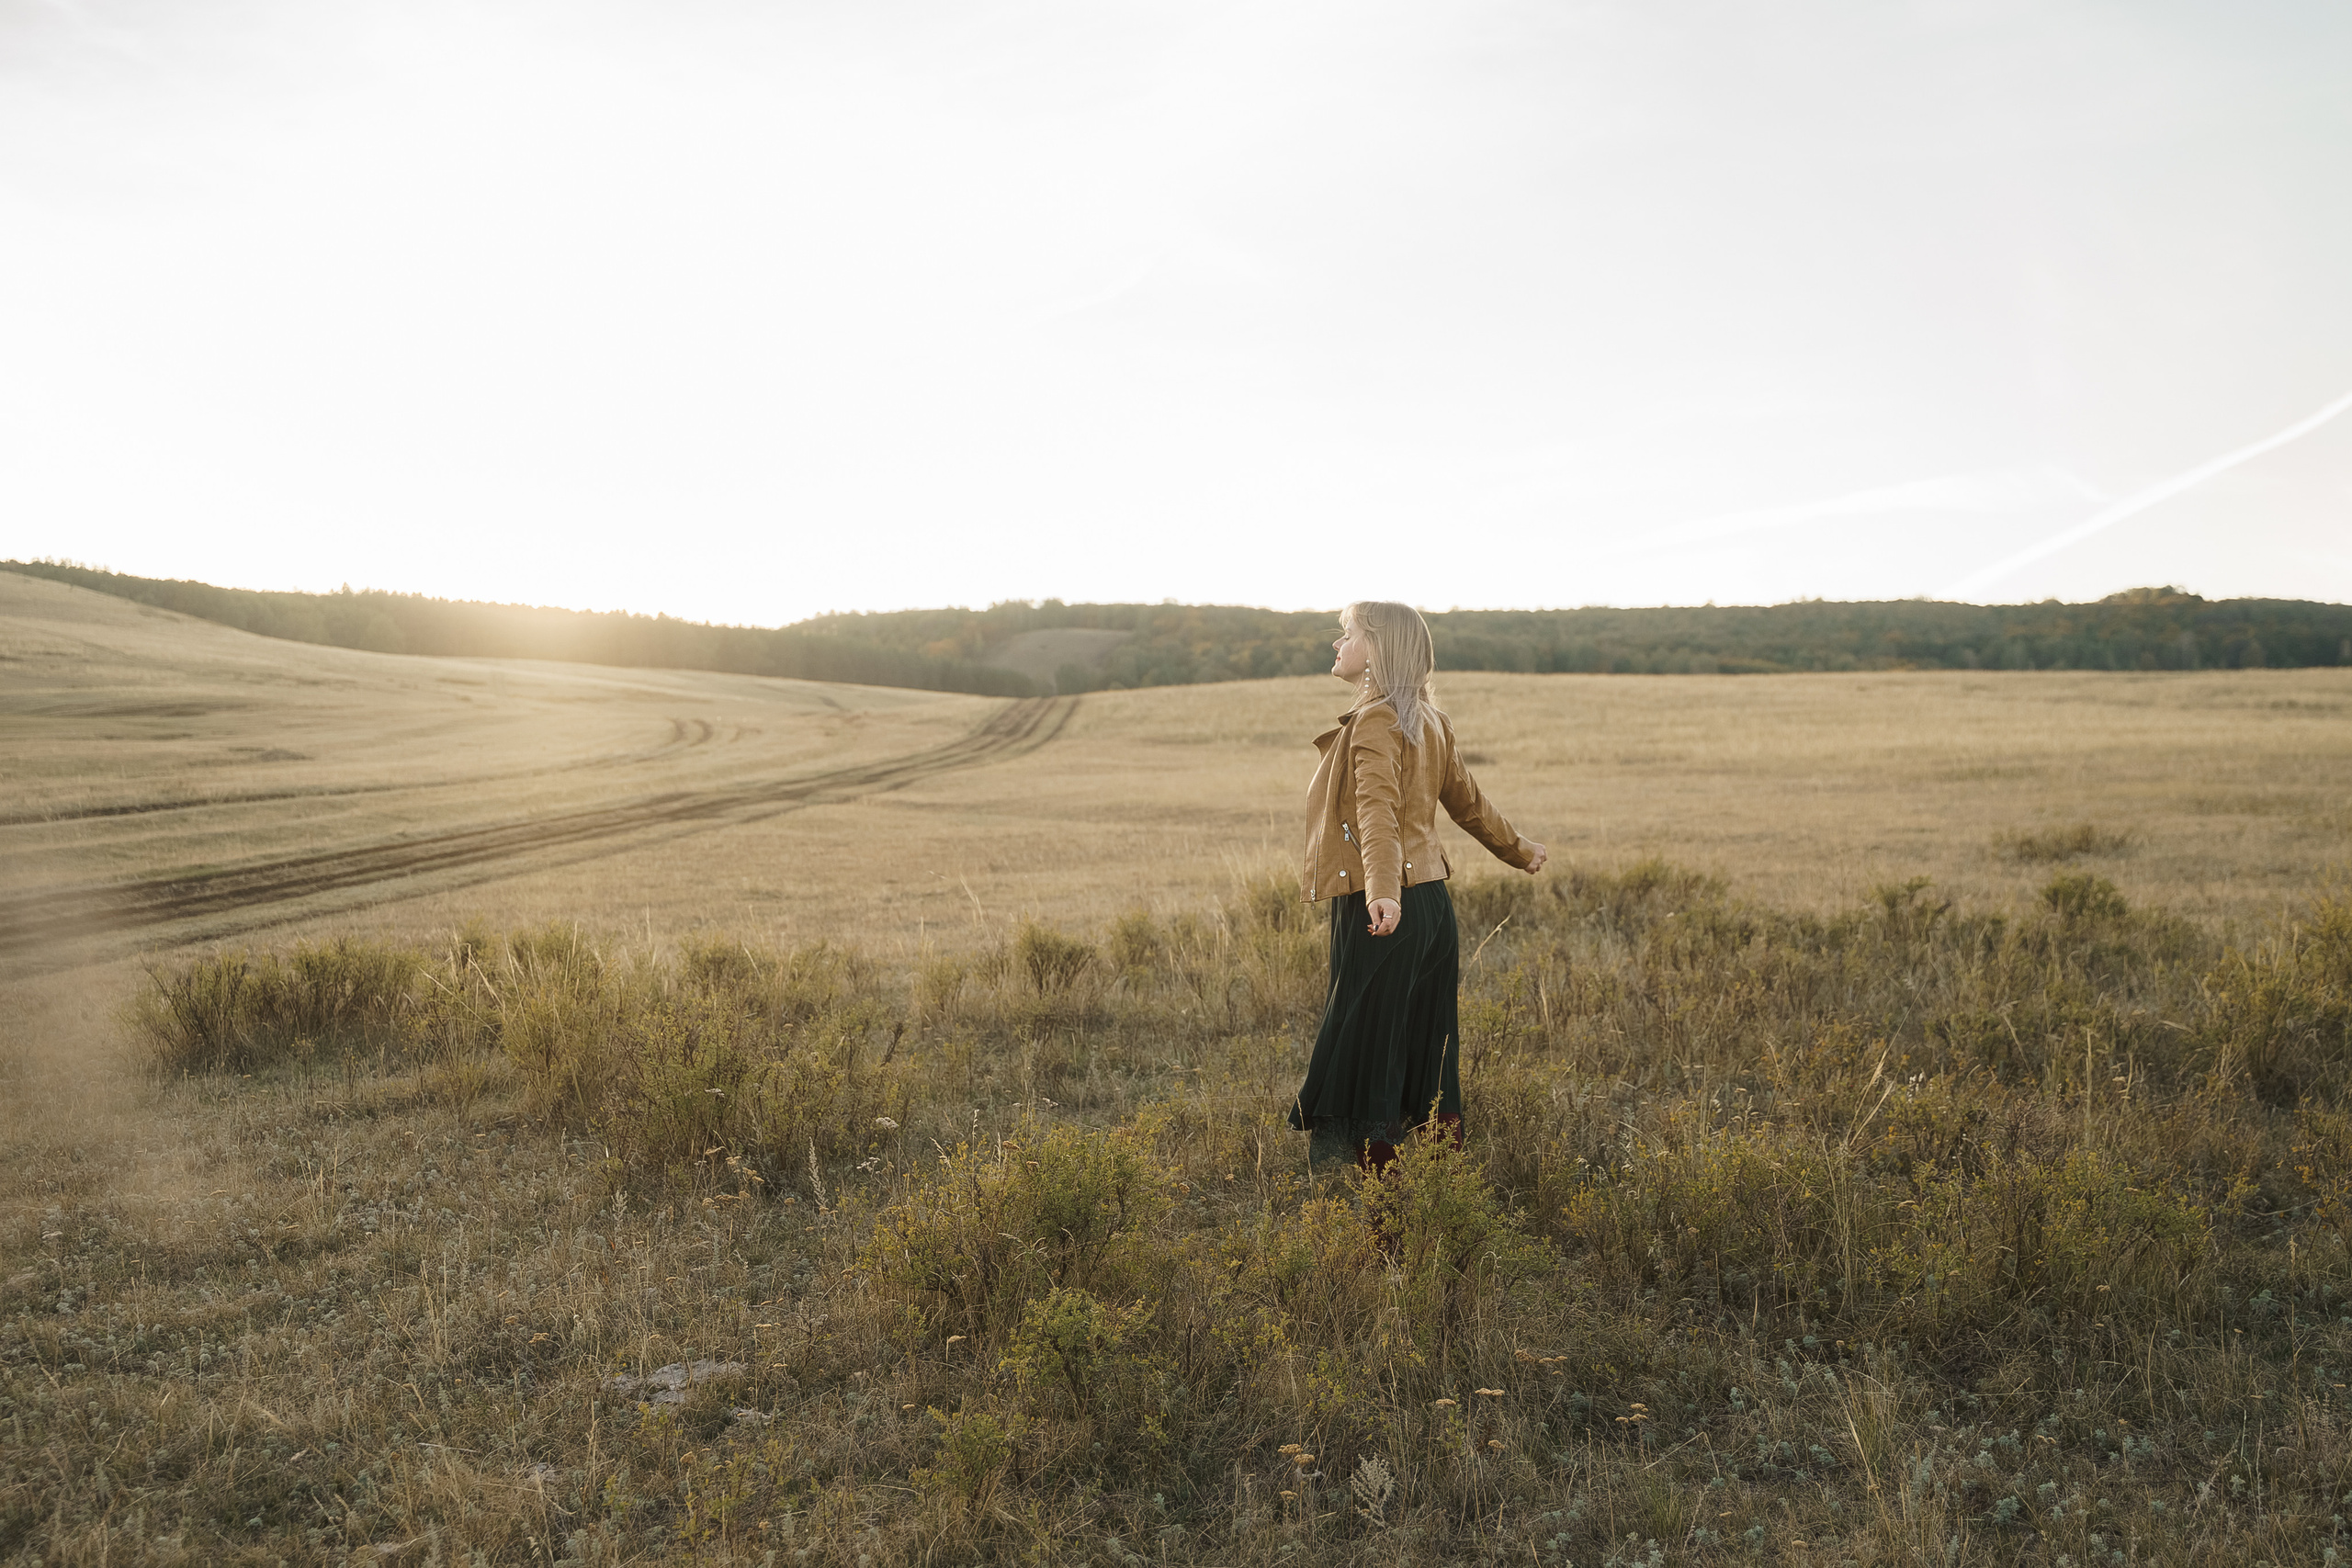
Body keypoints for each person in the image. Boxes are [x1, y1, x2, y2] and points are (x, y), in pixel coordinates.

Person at [1290, 601, 1547, 1171]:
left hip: (1383, 908)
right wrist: (1521, 849)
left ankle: (1386, 1228)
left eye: (1348, 635)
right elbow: (1470, 805)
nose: (1337, 645)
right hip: (1430, 906)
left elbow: (1374, 810)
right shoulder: (1429, 720)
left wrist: (1381, 891)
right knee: (1429, 1054)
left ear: (1377, 648)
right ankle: (1440, 1197)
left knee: (1373, 1061)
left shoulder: (1380, 720)